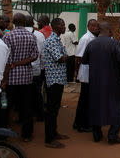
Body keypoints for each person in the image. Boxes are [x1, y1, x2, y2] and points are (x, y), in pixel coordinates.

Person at [83, 21, 120, 144]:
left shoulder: (91, 44)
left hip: (95, 82)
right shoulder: (114, 44)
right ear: (108, 30)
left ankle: (96, 134)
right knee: (115, 107)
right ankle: (112, 136)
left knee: (95, 106)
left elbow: (84, 60)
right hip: (112, 81)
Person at [3, 13, 39, 142]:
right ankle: (27, 134)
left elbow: (7, 60)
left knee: (7, 106)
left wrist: (5, 78)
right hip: (26, 77)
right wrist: (22, 62)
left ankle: (4, 133)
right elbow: (35, 56)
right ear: (25, 22)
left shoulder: (8, 36)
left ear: (13, 21)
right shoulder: (31, 36)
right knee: (26, 107)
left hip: (11, 77)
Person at [43, 18, 69, 148]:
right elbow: (61, 58)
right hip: (53, 80)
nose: (64, 27)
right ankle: (49, 139)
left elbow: (65, 55)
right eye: (62, 25)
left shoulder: (57, 40)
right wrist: (64, 56)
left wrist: (65, 56)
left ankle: (54, 132)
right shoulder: (52, 41)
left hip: (58, 79)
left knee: (55, 109)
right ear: (55, 27)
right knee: (51, 110)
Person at [73, 19, 99, 132]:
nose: (95, 28)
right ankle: (80, 124)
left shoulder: (93, 38)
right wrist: (77, 73)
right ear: (88, 26)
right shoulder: (86, 38)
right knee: (84, 99)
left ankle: (81, 122)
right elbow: (78, 57)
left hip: (90, 72)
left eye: (96, 26)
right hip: (85, 72)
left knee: (87, 98)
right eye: (93, 26)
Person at [25, 15, 46, 122]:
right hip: (35, 69)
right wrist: (42, 67)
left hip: (20, 71)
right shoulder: (39, 35)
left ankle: (23, 116)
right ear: (33, 23)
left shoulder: (13, 34)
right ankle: (40, 114)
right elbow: (43, 53)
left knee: (23, 95)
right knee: (37, 93)